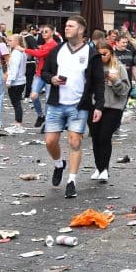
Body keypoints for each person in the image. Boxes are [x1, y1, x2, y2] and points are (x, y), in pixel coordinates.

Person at [41, 15, 104, 199]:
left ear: (81, 30)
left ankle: (71, 181)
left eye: (71, 26)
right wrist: (52, 79)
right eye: (66, 25)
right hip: (56, 103)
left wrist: (99, 106)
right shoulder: (57, 50)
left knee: (75, 142)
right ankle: (59, 164)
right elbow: (45, 72)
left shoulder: (92, 54)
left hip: (79, 105)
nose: (66, 28)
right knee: (50, 141)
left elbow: (99, 82)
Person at [91, 40, 129, 181]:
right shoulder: (94, 67)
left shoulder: (118, 67)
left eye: (104, 54)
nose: (102, 57)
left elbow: (125, 90)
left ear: (111, 53)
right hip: (95, 106)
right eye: (98, 54)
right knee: (95, 138)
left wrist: (115, 81)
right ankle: (98, 167)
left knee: (104, 137)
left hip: (113, 107)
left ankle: (105, 169)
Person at [25, 25, 59, 128]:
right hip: (40, 74)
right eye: (42, 32)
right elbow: (40, 54)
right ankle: (40, 115)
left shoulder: (54, 45)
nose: (43, 33)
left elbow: (40, 54)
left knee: (49, 99)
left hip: (50, 75)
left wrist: (25, 49)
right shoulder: (45, 44)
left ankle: (47, 123)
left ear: (52, 33)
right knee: (34, 96)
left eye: (46, 31)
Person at [5, 34, 28, 127]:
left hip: (16, 81)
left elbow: (14, 68)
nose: (8, 42)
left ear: (17, 42)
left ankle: (18, 121)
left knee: (16, 102)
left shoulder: (16, 53)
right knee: (17, 101)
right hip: (21, 79)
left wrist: (9, 80)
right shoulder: (22, 52)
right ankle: (17, 120)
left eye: (10, 41)